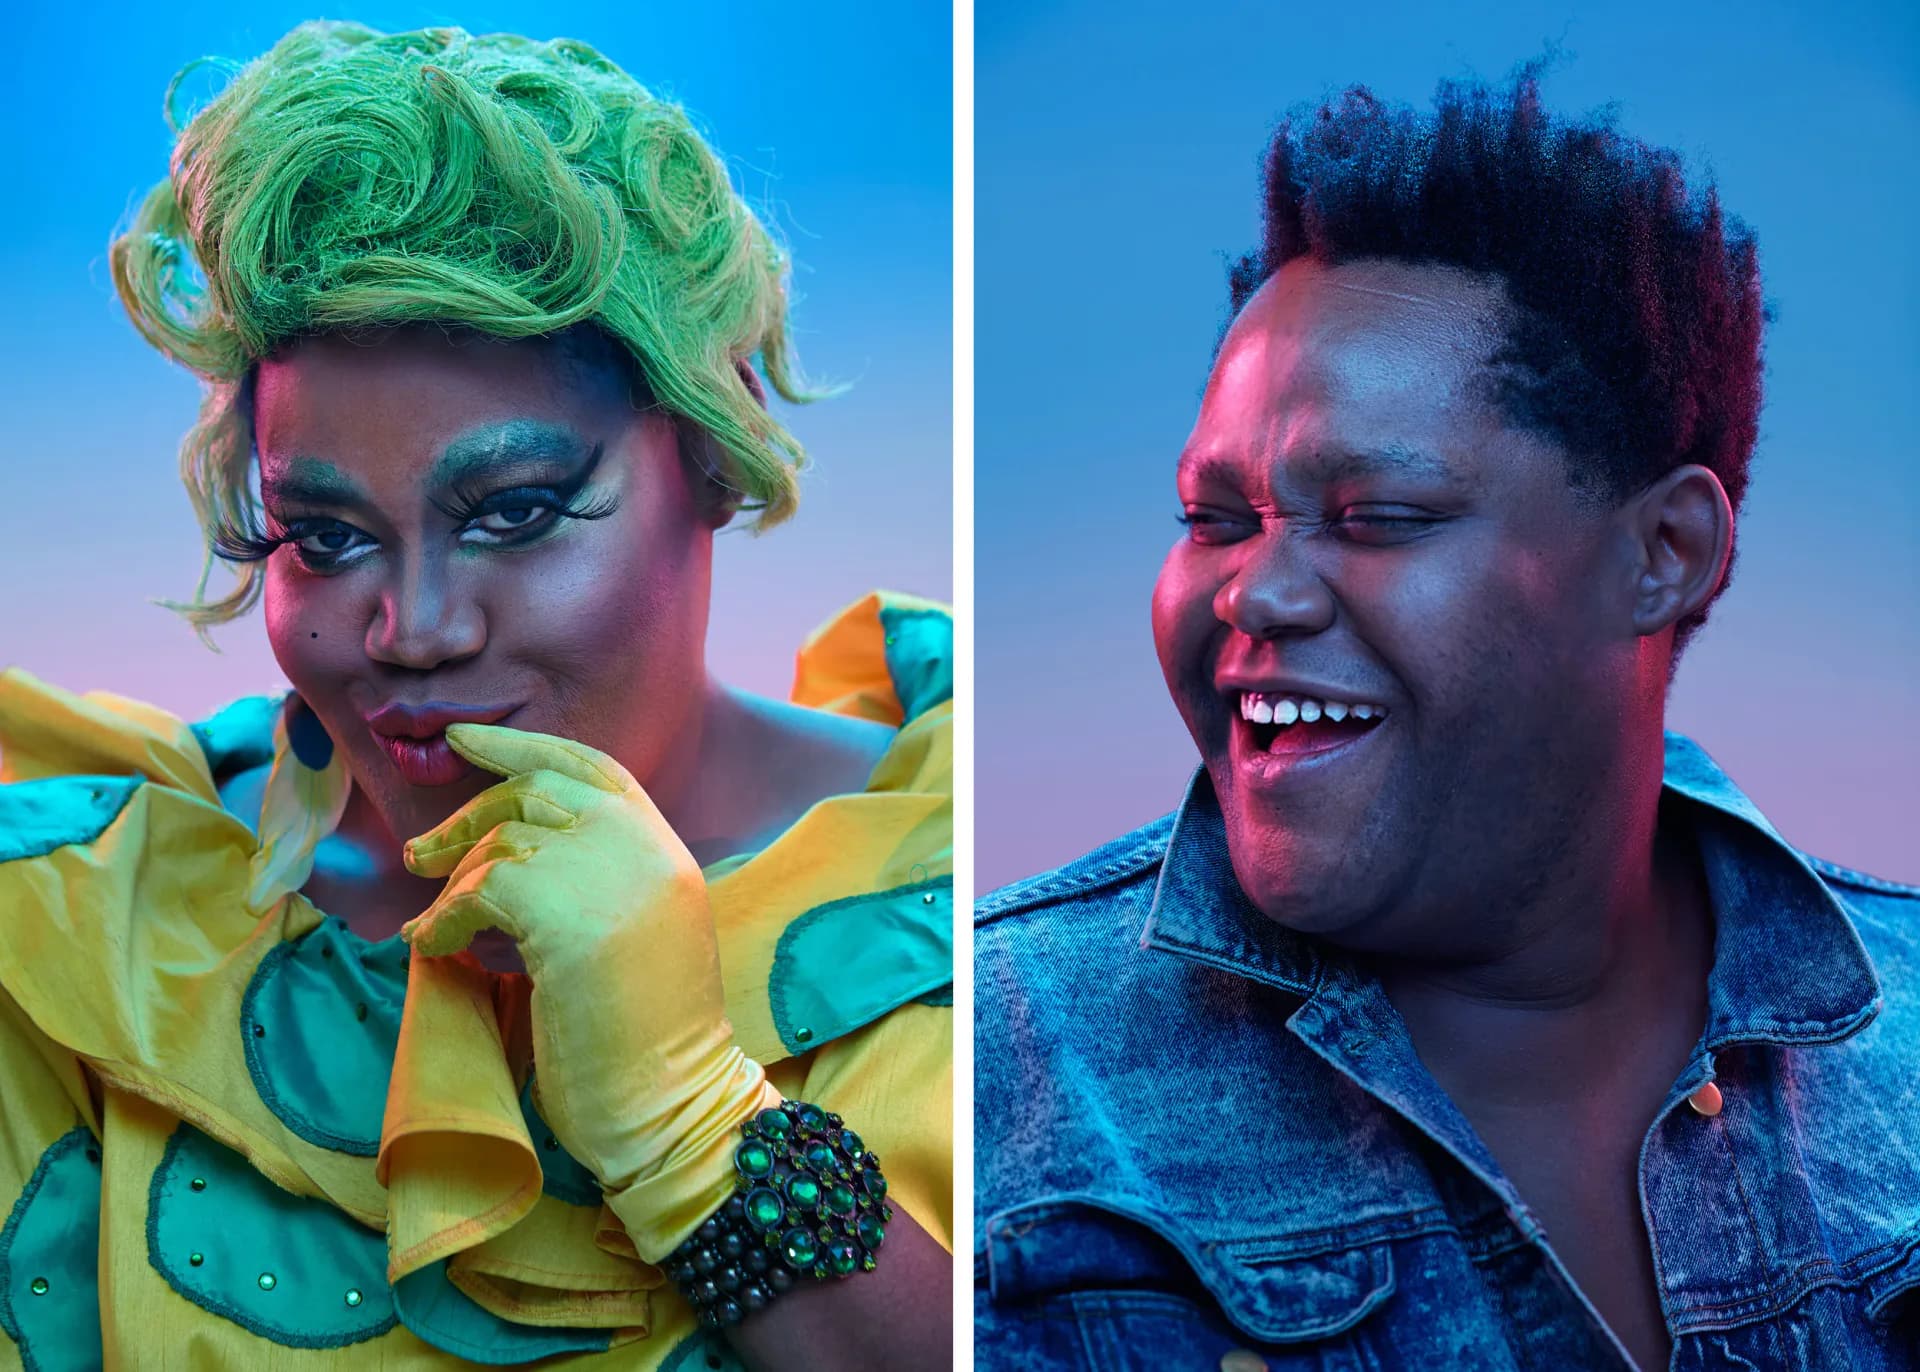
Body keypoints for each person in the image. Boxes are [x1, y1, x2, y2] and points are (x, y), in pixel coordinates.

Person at [0, 21, 952, 1370]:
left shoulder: (964, 891)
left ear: (714, 448)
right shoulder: (85, 915)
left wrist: (689, 1124)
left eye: (513, 511)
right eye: (323, 536)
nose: (415, 632)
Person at [973, 69, 1920, 1371]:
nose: (1254, 590)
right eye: (1214, 519)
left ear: (1664, 553)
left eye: (1378, 516)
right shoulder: (1004, 1061)